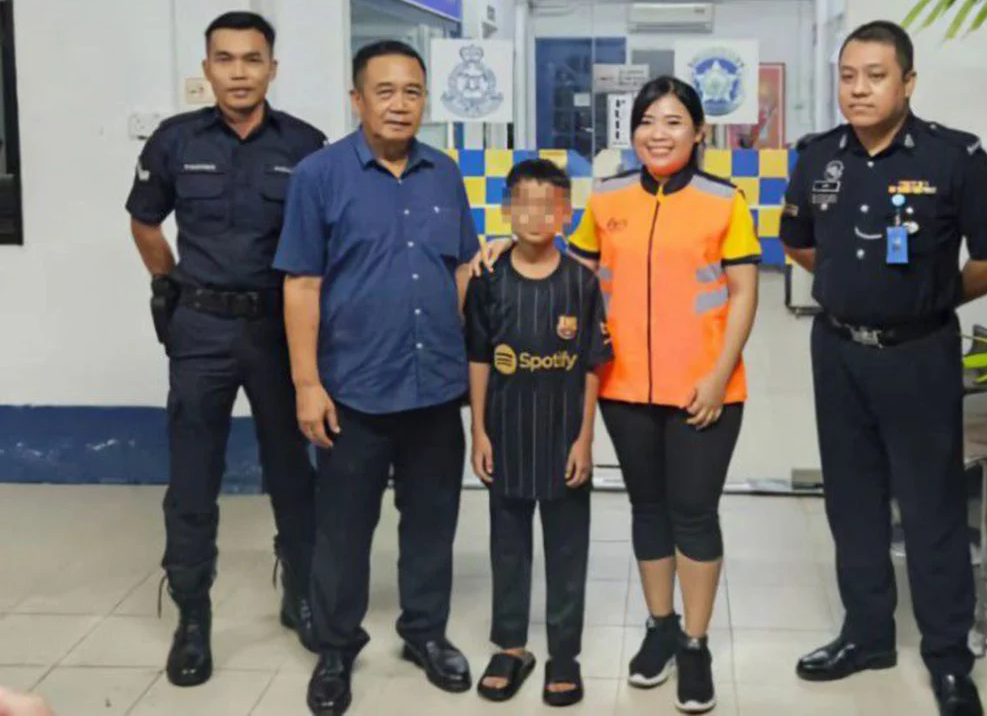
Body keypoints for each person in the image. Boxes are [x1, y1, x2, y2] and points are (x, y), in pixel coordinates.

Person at [475, 76, 761, 715]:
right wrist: (507, 246)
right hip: (624, 387)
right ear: (632, 132)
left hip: (705, 390)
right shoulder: (608, 197)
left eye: (673, 122)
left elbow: (745, 291)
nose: (658, 134)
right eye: (647, 122)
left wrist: (719, 375)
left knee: (694, 512)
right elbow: (567, 271)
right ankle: (661, 628)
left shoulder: (725, 201)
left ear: (699, 132)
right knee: (647, 508)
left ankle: (695, 643)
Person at [780, 21, 987, 716]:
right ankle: (867, 635)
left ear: (907, 83)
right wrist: (852, 292)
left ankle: (948, 658)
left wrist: (932, 299)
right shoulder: (818, 156)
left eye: (875, 75)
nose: (858, 89)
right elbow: (798, 242)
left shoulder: (954, 157)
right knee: (851, 499)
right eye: (848, 75)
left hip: (920, 354)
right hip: (838, 351)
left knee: (930, 506)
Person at [274, 39, 479, 716]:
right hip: (353, 389)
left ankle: (425, 633)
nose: (399, 104)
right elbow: (302, 283)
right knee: (343, 529)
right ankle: (335, 648)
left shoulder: (444, 173)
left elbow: (461, 267)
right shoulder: (319, 175)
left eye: (412, 91)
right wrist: (307, 383)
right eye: (384, 91)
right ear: (357, 99)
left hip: (435, 386)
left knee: (432, 521)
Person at [125, 11, 325, 687]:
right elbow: (144, 222)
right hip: (202, 328)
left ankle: (300, 591)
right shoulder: (176, 141)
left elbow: (324, 239)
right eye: (226, 59)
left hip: (278, 329)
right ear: (207, 67)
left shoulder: (306, 145)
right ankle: (192, 613)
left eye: (252, 58)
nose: (239, 72)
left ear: (273, 67)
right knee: (193, 475)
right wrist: (171, 284)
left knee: (293, 470)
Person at [465, 158, 611, 708]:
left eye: (547, 206)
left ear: (566, 214)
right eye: (523, 204)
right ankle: (510, 645)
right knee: (508, 544)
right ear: (507, 210)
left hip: (562, 435)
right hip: (506, 433)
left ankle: (564, 652)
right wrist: (479, 431)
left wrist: (585, 439)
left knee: (567, 546)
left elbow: (592, 364)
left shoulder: (581, 282)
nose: (534, 216)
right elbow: (479, 357)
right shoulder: (487, 279)